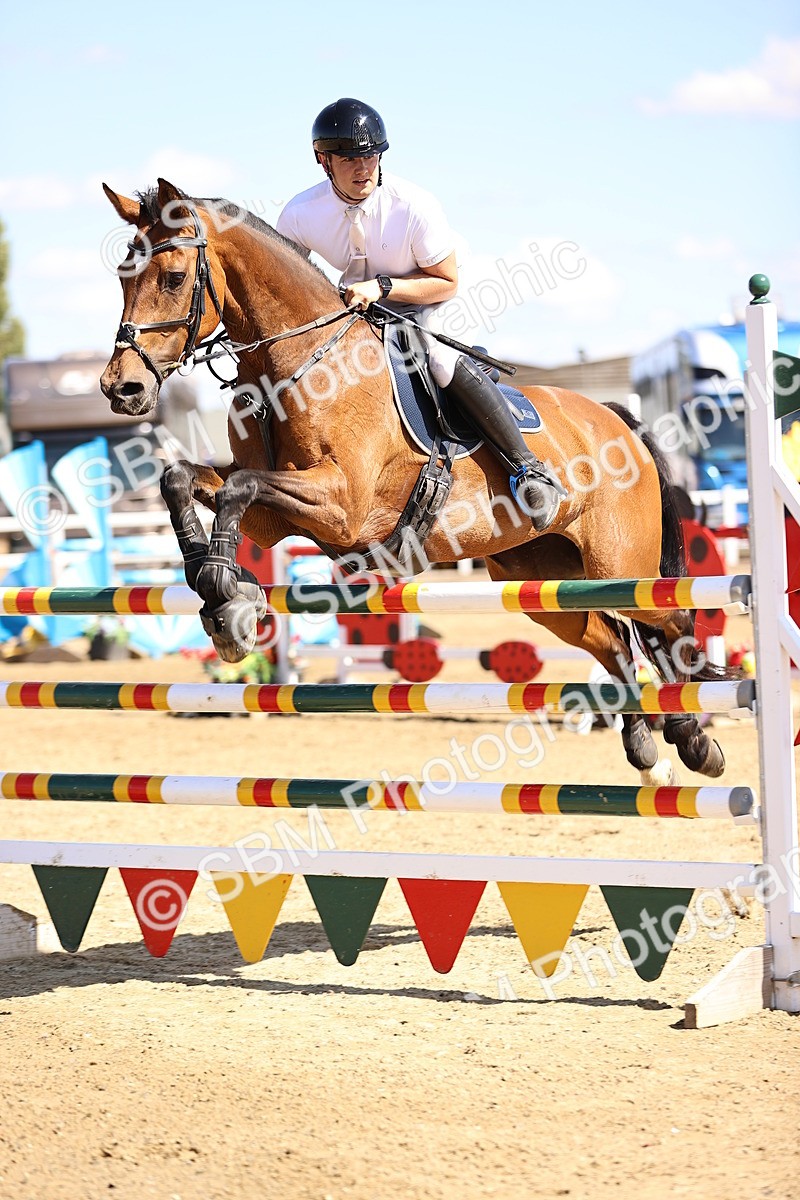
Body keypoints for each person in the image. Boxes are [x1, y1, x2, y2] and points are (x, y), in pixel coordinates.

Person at [276, 97, 564, 531]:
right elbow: (289, 288)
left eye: (371, 155)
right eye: (350, 158)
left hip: (438, 289)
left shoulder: (412, 204)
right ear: (323, 160)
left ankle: (528, 466)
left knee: (437, 357)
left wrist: (384, 287)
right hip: (366, 297)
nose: (363, 167)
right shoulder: (299, 214)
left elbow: (446, 280)